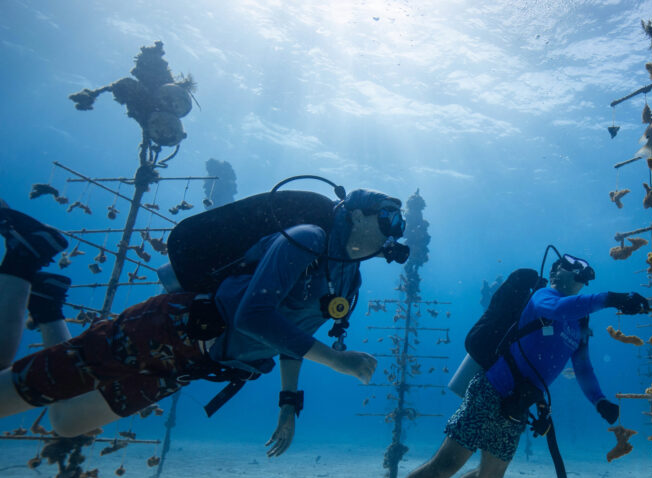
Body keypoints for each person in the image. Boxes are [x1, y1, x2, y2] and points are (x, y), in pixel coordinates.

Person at [325, 251, 649, 478]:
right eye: (557, 268)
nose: (559, 274)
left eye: (569, 272)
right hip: (491, 390)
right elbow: (560, 310)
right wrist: (615, 298)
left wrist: (600, 401)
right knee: (444, 465)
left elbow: (583, 366)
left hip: (518, 405)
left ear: (582, 280)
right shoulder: (544, 297)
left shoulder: (581, 321)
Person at [0, 189, 406, 455]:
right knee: (7, 393)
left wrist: (287, 407)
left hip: (194, 365)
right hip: (167, 330)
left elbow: (293, 340)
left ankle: (48, 304)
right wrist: (338, 361)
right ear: (354, 214)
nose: (394, 231)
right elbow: (252, 315)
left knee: (67, 422)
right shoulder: (306, 239)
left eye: (398, 224)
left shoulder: (348, 277)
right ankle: (23, 255)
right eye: (387, 218)